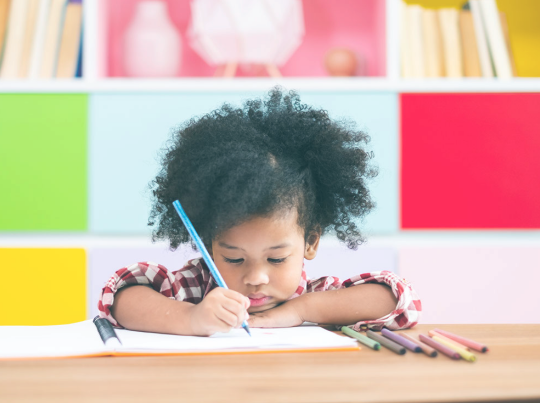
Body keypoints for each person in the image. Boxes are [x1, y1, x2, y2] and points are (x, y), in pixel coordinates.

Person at [98, 88, 421, 336]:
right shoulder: (192, 289)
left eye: (277, 259)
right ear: (207, 243)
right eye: (234, 259)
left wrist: (303, 309)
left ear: (310, 242)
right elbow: (121, 297)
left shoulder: (314, 295)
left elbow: (400, 300)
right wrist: (190, 317)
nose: (256, 278)